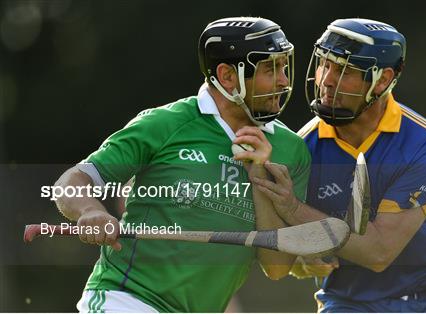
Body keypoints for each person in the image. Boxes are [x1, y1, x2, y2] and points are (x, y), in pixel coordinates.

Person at [53, 17, 309, 312]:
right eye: (270, 69)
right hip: (126, 300)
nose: (284, 81)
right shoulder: (166, 124)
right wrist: (90, 211)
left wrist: (260, 176)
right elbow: (72, 181)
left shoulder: (291, 150)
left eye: (283, 66)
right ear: (227, 76)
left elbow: (277, 268)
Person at [251, 18, 426, 312]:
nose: (326, 80)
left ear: (383, 79)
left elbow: (379, 252)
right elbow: (283, 265)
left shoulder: (424, 143)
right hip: (349, 302)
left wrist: (294, 210)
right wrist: (303, 260)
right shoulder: (302, 148)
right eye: (325, 64)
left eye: (345, 70)